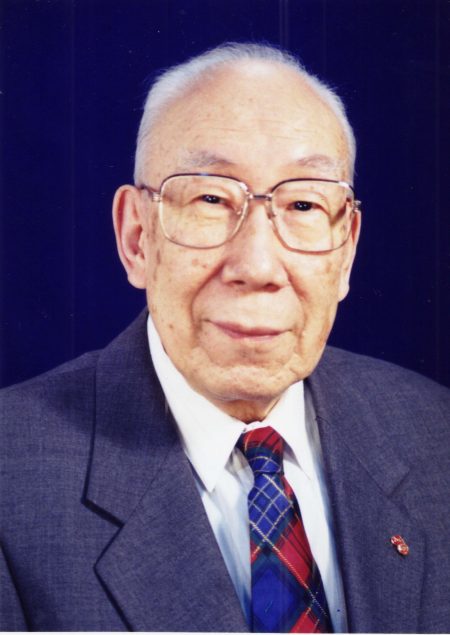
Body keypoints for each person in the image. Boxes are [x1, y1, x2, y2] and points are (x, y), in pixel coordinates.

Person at [1, 42, 449, 633]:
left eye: (303, 204)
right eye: (211, 198)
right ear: (137, 238)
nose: (257, 266)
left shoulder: (435, 433)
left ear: (346, 252)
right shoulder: (13, 478)